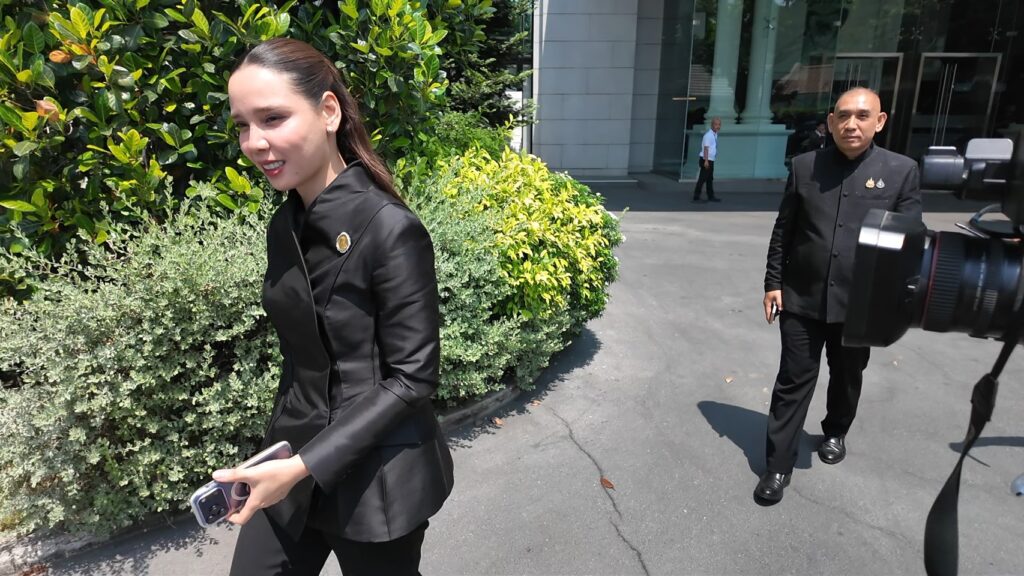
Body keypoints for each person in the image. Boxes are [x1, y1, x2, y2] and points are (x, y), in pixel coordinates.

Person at [213, 38, 454, 574]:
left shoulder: (390, 229)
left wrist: (304, 465)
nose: (254, 142)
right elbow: (303, 361)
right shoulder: (285, 225)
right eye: (242, 126)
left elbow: (413, 377)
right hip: (291, 464)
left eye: (272, 118)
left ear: (328, 111)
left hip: (378, 480)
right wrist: (280, 458)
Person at [755, 87, 921, 504]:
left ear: (879, 122)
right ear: (830, 122)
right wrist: (773, 282)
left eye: (862, 116)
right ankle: (778, 465)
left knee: (847, 375)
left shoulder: (900, 171)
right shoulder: (804, 166)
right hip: (802, 297)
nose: (851, 124)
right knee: (793, 379)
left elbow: (910, 244)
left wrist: (896, 301)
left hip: (861, 305)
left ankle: (835, 431)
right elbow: (784, 230)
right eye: (843, 116)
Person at [693, 117, 722, 203]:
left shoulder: (715, 134)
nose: (718, 126)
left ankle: (711, 196)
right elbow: (706, 148)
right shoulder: (708, 135)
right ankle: (696, 197)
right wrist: (706, 161)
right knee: (702, 179)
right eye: (716, 124)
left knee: (709, 179)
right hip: (706, 160)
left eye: (719, 124)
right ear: (712, 125)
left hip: (711, 160)